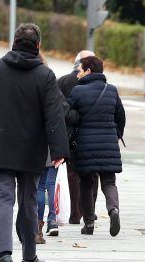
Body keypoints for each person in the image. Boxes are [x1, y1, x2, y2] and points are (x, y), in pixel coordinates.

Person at [0, 23, 69, 262]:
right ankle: (29, 257)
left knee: (2, 199)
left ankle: (4, 255)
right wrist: (59, 150)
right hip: (31, 148)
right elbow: (54, 114)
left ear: (14, 43)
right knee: (28, 200)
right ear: (38, 46)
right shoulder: (45, 75)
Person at [66, 56, 125, 237]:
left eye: (80, 70)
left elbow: (67, 114)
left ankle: (89, 223)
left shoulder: (78, 91)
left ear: (88, 71)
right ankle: (113, 210)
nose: (78, 73)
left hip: (84, 144)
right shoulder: (111, 90)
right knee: (109, 181)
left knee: (85, 183)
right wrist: (116, 135)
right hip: (108, 143)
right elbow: (121, 116)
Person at [57, 50, 98, 225]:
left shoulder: (62, 81)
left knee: (72, 173)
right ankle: (90, 211)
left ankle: (75, 213)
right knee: (93, 173)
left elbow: (57, 108)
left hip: (69, 133)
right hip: (91, 133)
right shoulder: (99, 84)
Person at [36, 155, 57, 244]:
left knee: (38, 187)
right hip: (51, 154)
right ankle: (51, 221)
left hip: (34, 154)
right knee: (48, 184)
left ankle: (35, 227)